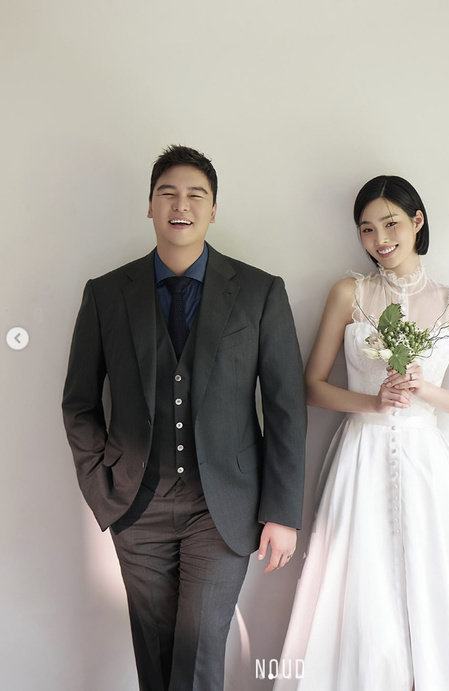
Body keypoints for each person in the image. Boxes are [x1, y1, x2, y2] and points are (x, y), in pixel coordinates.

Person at [274, 176, 449, 690]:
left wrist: (424, 388)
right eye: (367, 229)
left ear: (417, 221)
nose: (380, 239)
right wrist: (371, 401)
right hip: (361, 453)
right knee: (361, 585)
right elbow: (311, 386)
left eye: (390, 223)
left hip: (425, 459)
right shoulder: (349, 293)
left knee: (433, 578)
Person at [62, 145, 307, 691]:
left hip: (222, 508)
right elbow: (79, 402)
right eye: (168, 193)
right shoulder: (106, 294)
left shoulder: (260, 292)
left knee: (198, 654)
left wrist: (282, 511)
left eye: (196, 194)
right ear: (149, 205)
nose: (181, 204)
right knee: (154, 658)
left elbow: (286, 408)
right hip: (136, 505)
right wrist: (101, 483)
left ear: (213, 210)